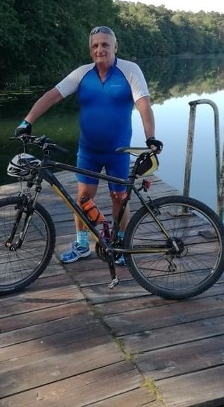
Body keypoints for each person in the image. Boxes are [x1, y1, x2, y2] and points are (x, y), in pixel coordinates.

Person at [15, 26, 163, 264]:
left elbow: (144, 105)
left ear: (115, 47)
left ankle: (120, 244)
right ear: (90, 50)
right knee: (83, 198)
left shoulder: (129, 70)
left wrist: (151, 138)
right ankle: (82, 244)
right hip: (89, 151)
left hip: (118, 152)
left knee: (119, 197)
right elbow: (52, 96)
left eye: (105, 44)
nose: (100, 49)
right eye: (95, 45)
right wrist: (27, 121)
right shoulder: (82, 74)